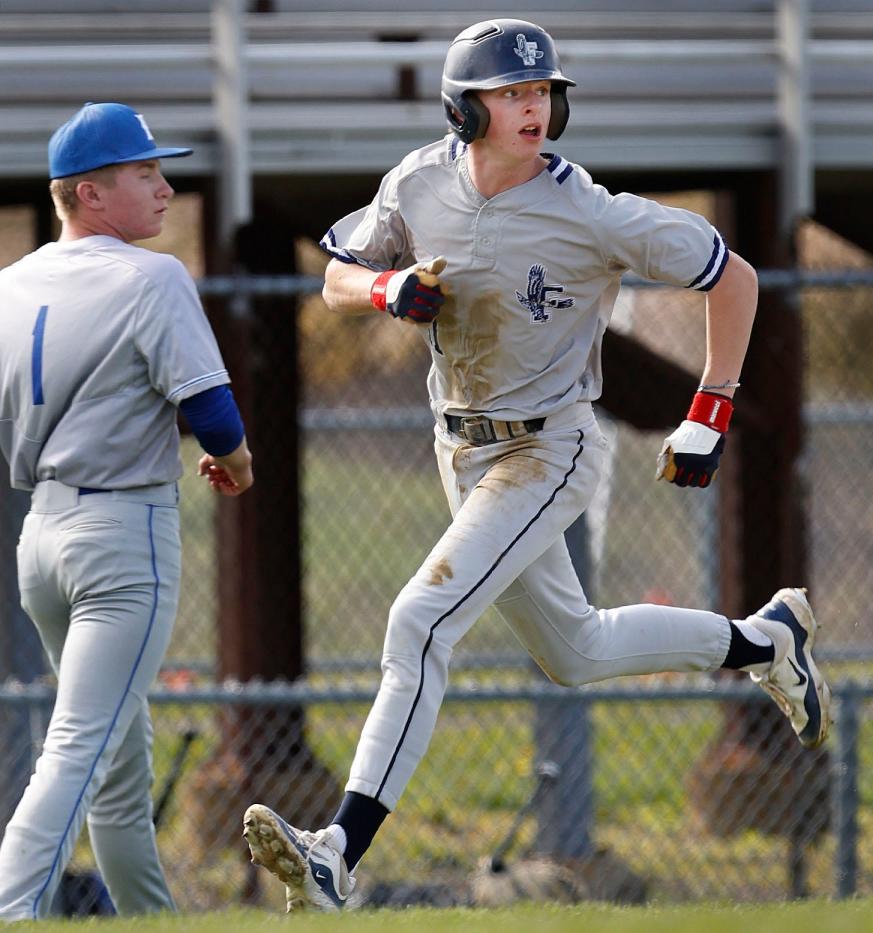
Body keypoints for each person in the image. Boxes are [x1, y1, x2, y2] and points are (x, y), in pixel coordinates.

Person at [243, 19, 831, 912]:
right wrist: (385, 289)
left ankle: (336, 853)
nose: (532, 107)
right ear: (461, 108)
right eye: (510, 94)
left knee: (420, 620)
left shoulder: (588, 210)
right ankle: (766, 640)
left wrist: (709, 409)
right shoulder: (419, 180)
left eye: (541, 92)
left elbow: (735, 277)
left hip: (544, 448)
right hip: (461, 448)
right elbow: (335, 275)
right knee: (577, 650)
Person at [0, 102, 254, 920]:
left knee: (117, 762)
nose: (164, 186)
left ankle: (147, 917)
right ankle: (11, 907)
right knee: (81, 746)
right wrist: (238, 464)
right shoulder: (152, 276)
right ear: (88, 192)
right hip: (120, 537)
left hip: (40, 536)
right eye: (143, 172)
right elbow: (214, 413)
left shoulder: (11, 282)